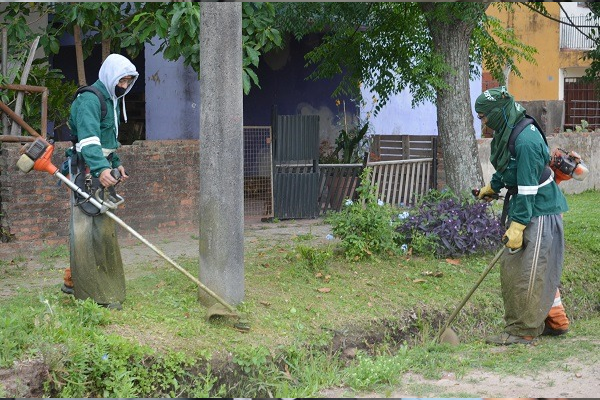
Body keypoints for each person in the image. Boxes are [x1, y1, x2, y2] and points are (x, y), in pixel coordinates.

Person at [475, 86, 570, 345]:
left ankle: (524, 331)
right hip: (526, 206)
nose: (482, 122)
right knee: (522, 269)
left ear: (498, 112)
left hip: (539, 210)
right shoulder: (508, 131)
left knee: (528, 272)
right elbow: (508, 165)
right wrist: (493, 186)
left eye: (484, 116)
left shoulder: (526, 140)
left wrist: (517, 227)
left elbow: (528, 189)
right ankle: (554, 322)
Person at [61, 53, 139, 310]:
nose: (124, 86)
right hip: (85, 170)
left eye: (128, 81)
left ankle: (75, 280)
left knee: (100, 229)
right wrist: (100, 168)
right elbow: (88, 140)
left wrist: (115, 164)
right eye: (122, 80)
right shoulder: (89, 100)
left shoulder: (111, 99)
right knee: (86, 229)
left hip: (99, 168)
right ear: (110, 76)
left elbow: (106, 142)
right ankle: (91, 292)